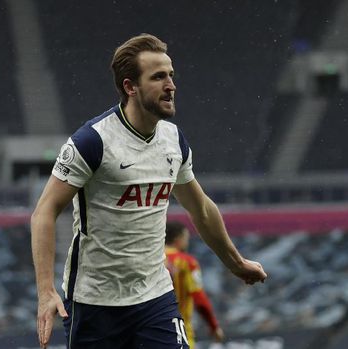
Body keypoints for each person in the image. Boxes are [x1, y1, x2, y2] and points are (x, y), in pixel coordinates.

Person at [30, 33, 267, 349]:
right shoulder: (92, 141)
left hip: (155, 297)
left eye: (171, 75)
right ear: (131, 87)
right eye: (158, 77)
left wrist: (235, 263)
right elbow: (44, 212)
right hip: (95, 302)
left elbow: (200, 208)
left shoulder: (174, 140)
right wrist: (45, 291)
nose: (171, 85)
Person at [165, 221, 225, 348]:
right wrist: (213, 325)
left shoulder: (151, 260)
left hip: (148, 330)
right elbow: (199, 298)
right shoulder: (187, 262)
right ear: (178, 238)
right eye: (186, 238)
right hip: (179, 331)